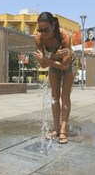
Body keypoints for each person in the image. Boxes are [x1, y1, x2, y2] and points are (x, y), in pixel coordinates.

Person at [33, 12, 74, 144]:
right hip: (53, 63)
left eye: (46, 29)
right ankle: (55, 128)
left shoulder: (65, 37)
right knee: (55, 97)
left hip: (68, 65)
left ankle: (63, 130)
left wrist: (47, 59)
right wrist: (53, 57)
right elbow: (43, 65)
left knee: (65, 97)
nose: (43, 33)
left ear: (53, 24)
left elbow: (64, 66)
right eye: (40, 29)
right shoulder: (39, 39)